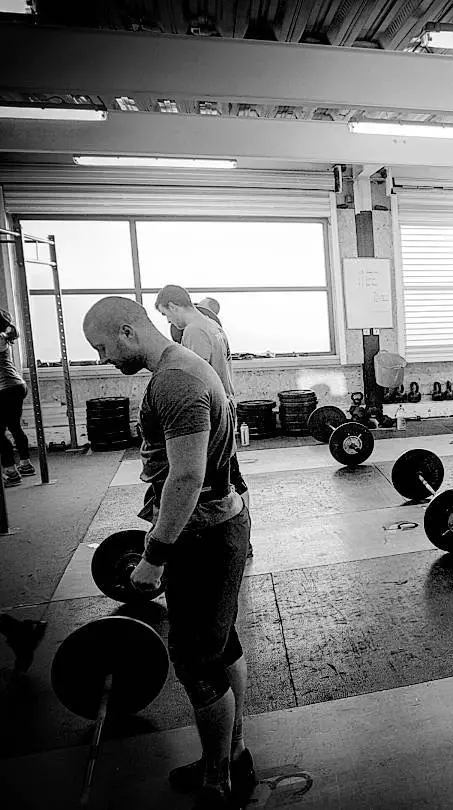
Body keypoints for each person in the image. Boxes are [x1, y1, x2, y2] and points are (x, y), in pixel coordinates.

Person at [83, 297, 255, 809]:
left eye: (102, 346)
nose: (102, 358)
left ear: (128, 330)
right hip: (220, 522)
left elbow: (186, 476)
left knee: (196, 662)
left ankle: (218, 781)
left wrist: (154, 555)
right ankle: (232, 755)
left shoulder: (175, 380)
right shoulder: (185, 365)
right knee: (221, 646)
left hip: (201, 534)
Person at [155, 286, 249, 515]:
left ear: (173, 306)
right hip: (225, 405)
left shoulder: (194, 331)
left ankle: (233, 527)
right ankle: (243, 524)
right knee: (231, 474)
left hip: (212, 412)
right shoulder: (212, 325)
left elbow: (195, 381)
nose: (169, 320)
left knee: (214, 478)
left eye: (166, 314)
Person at [0, 313, 34, 487]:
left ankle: (11, 472)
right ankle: (25, 464)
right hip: (14, 387)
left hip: (6, 389)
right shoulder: (4, 335)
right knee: (14, 427)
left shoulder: (0, 337)